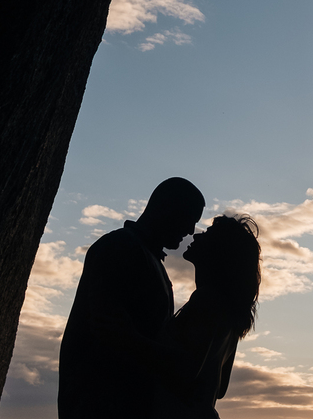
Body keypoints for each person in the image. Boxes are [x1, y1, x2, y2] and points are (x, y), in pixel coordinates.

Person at [58, 177, 206, 419]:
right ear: (166, 207)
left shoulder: (148, 258)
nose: (190, 230)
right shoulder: (119, 247)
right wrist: (177, 365)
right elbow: (107, 330)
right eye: (189, 218)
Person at [154, 214, 262, 418]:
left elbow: (183, 370)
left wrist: (126, 338)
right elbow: (219, 389)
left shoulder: (208, 301)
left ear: (219, 251)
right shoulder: (230, 313)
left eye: (206, 235)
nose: (195, 236)